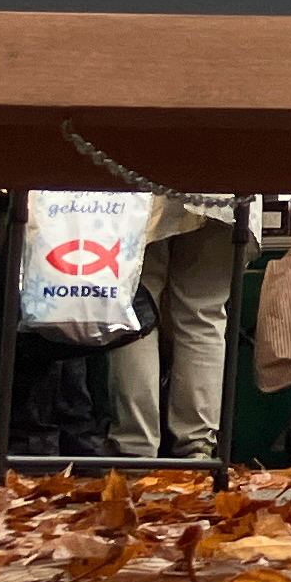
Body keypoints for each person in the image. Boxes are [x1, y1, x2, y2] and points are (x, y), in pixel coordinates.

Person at [107, 193, 236, 462]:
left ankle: (135, 447)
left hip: (141, 183)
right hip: (220, 185)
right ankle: (197, 445)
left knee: (134, 307)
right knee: (203, 313)